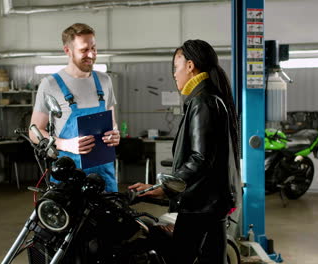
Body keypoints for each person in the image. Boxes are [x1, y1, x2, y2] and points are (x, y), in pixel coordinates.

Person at [129, 39, 240, 263]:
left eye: (176, 67)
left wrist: (165, 188)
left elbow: (200, 159)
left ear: (190, 66)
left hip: (200, 207)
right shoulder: (207, 99)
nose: (174, 74)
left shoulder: (203, 102)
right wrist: (160, 187)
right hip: (210, 205)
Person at [30, 23, 120, 192]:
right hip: (69, 175)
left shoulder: (105, 80)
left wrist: (115, 134)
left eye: (94, 48)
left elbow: (112, 123)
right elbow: (34, 131)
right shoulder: (50, 84)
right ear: (67, 51)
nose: (91, 54)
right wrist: (65, 144)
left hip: (103, 177)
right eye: (84, 50)